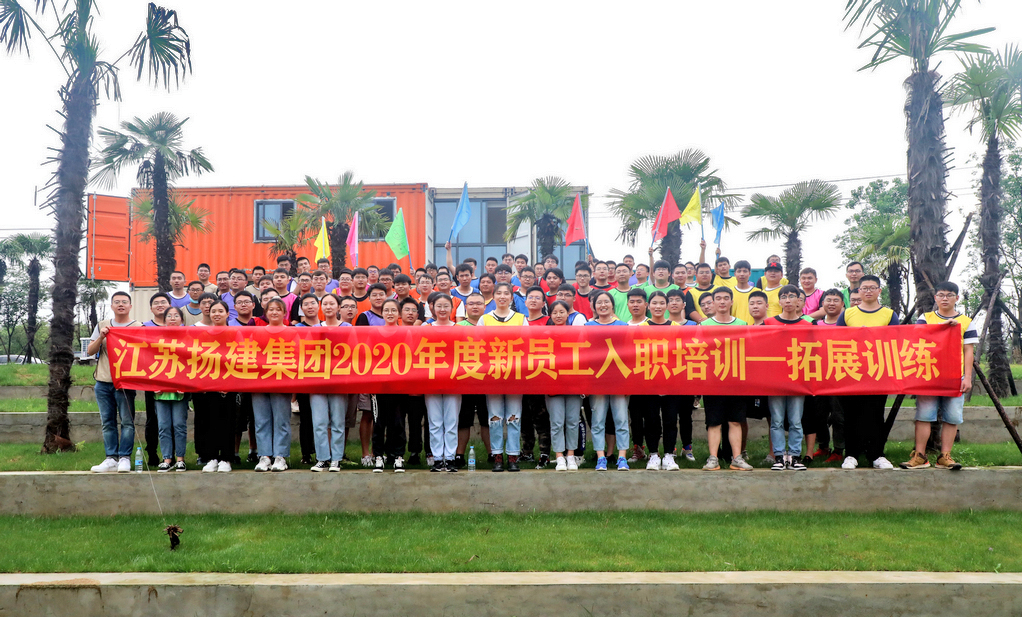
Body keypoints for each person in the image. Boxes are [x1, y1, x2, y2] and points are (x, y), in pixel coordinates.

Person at [901, 282, 976, 471]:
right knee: (924, 415)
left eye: (949, 295)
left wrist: (967, 377)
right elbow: (918, 337)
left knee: (952, 417)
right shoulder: (925, 318)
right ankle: (920, 456)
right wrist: (943, 326)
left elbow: (968, 350)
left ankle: (945, 456)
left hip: (955, 376)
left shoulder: (966, 321)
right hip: (928, 375)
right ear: (935, 298)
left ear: (956, 298)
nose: (945, 298)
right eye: (941, 295)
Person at [837, 274, 899, 470]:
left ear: (879, 290)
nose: (868, 291)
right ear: (859, 291)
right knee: (850, 414)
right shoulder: (847, 314)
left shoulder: (889, 315)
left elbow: (895, 341)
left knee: (875, 414)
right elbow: (837, 341)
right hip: (852, 371)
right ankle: (851, 455)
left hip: (878, 372)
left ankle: (877, 455)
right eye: (865, 288)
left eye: (872, 288)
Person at [88, 292, 143, 473]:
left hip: (125, 382)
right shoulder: (102, 325)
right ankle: (110, 458)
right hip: (103, 381)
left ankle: (124, 457)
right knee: (107, 421)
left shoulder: (138, 326)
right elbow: (90, 351)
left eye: (124, 302)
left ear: (130, 306)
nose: (121, 304)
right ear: (111, 306)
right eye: (117, 302)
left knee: (127, 421)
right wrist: (101, 337)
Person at [700, 287, 753, 471]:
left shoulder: (742, 324)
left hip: (735, 380)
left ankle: (736, 458)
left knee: (735, 421)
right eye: (718, 298)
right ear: (713, 302)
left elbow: (748, 350)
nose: (722, 301)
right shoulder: (704, 325)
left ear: (731, 302)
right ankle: (713, 458)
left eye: (725, 298)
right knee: (713, 422)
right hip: (712, 380)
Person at [763, 285, 813, 471]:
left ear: (799, 300)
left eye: (792, 296)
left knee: (796, 421)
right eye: (784, 296)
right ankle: (778, 456)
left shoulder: (808, 325)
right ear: (779, 301)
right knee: (776, 420)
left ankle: (794, 456)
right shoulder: (768, 323)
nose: (788, 300)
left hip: (797, 380)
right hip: (774, 380)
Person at [638, 291, 686, 470]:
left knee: (670, 419)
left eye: (661, 303)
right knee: (651, 419)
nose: (658, 307)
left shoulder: (676, 327)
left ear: (666, 306)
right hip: (648, 380)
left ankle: (668, 455)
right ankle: (653, 454)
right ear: (648, 306)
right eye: (654, 303)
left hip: (671, 380)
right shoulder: (640, 328)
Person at [480, 283, 526, 472]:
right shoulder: (484, 319)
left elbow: (528, 346)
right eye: (498, 293)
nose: (502, 296)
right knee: (495, 417)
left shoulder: (521, 319)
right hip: (493, 374)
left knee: (514, 417)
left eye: (506, 293)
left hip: (515, 374)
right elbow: (478, 346)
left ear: (511, 297)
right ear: (493, 296)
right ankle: (497, 456)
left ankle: (513, 456)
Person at [585, 291, 630, 471]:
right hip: (597, 380)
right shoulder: (588, 326)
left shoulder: (623, 326)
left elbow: (629, 353)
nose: (603, 305)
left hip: (618, 379)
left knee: (621, 419)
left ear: (612, 305)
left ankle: (622, 457)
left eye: (606, 302)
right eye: (599, 302)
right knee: (598, 420)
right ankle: (601, 457)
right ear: (594, 306)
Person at [306, 294, 351, 472]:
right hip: (318, 380)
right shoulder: (314, 328)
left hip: (339, 380)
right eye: (325, 304)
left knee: (338, 422)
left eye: (332, 303)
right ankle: (322, 458)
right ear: (321, 307)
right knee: (319, 422)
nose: (328, 307)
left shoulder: (347, 327)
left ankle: (336, 459)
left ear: (339, 307)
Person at [195, 300, 237, 473]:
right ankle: (212, 458)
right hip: (209, 385)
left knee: (227, 423)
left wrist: (230, 383)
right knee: (210, 423)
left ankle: (226, 458)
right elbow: (198, 359)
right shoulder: (202, 335)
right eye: (213, 311)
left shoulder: (235, 333)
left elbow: (240, 358)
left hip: (229, 386)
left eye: (220, 311)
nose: (217, 314)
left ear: (227, 314)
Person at [252, 297, 293, 472]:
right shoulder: (257, 332)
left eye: (278, 309)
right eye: (271, 309)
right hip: (259, 382)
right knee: (261, 420)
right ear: (266, 313)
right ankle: (264, 456)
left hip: (282, 382)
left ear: (284, 313)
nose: (274, 312)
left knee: (281, 420)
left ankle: (280, 456)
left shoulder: (292, 332)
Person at [423, 294, 460, 472]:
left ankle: (450, 458)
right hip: (431, 380)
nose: (443, 309)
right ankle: (438, 458)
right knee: (435, 421)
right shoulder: (425, 328)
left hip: (454, 380)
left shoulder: (459, 328)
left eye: (446, 306)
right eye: (439, 306)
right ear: (433, 308)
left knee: (451, 421)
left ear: (452, 308)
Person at [454, 292, 491, 467]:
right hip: (465, 379)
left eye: (478, 303)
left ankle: (492, 454)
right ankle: (459, 455)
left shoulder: (491, 324)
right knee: (464, 419)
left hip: (487, 379)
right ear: (466, 307)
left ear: (485, 306)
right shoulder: (458, 327)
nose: (475, 306)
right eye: (471, 304)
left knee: (487, 419)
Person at [371, 298, 408, 473]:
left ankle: (398, 456)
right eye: (386, 310)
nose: (390, 313)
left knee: (398, 422)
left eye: (393, 310)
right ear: (382, 313)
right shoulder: (374, 333)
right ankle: (378, 456)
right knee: (379, 422)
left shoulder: (406, 333)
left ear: (398, 313)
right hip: (379, 386)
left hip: (400, 385)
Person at [153, 307, 189, 472]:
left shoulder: (188, 338)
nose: (172, 318)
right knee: (163, 426)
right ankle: (167, 458)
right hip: (161, 390)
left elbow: (191, 362)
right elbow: (149, 361)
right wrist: (153, 385)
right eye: (169, 316)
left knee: (179, 425)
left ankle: (180, 459)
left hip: (180, 390)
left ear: (182, 319)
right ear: (164, 319)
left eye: (176, 315)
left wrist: (186, 385)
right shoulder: (156, 338)